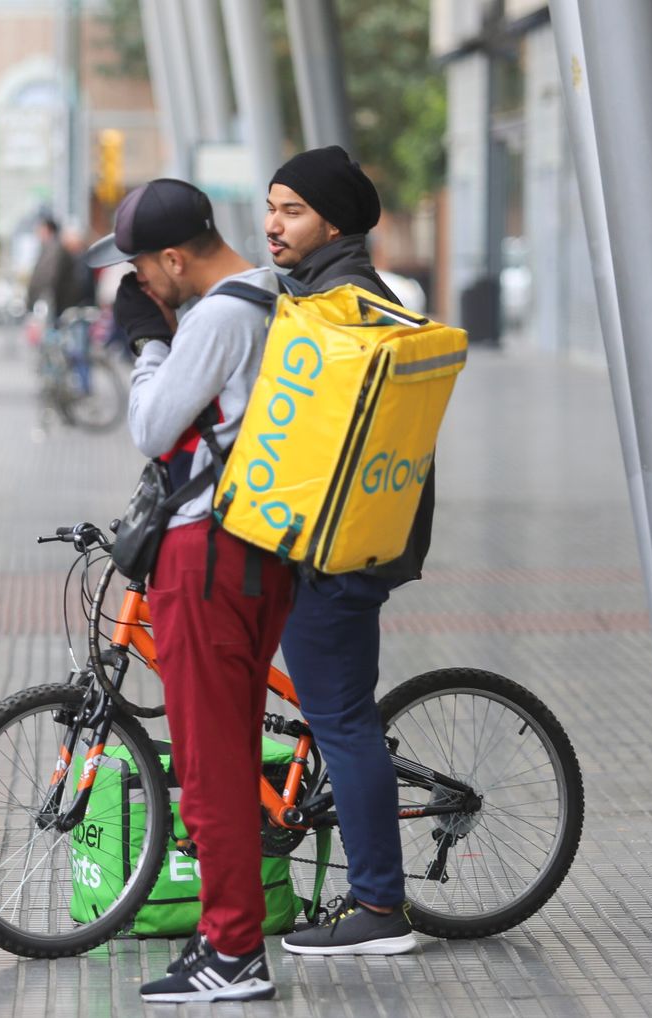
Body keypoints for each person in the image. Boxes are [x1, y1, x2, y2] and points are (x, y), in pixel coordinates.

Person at [86, 179, 293, 1003]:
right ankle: (228, 938)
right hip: (258, 549)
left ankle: (233, 950)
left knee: (208, 764)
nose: (138, 284)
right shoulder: (272, 294)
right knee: (230, 753)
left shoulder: (214, 318)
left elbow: (150, 426)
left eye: (142, 268)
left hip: (207, 554)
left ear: (175, 257)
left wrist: (147, 344)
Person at [260, 146, 422, 956]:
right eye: (271, 207)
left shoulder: (346, 304)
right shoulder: (327, 293)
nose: (272, 224)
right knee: (334, 712)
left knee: (342, 719)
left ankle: (380, 911)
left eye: (290, 210)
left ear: (332, 221)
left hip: (339, 549)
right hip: (335, 541)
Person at [25, 214, 83, 324]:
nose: (37, 233)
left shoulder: (55, 249)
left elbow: (49, 277)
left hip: (54, 305)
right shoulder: (49, 248)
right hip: (50, 304)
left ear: (47, 229)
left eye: (40, 229)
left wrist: (38, 299)